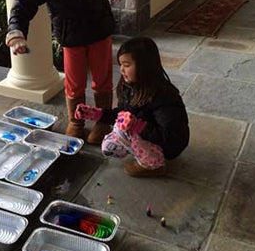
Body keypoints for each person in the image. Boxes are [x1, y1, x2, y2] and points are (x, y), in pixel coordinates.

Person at [5, 0, 125, 144]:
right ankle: (76, 121)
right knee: (74, 82)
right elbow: (23, 4)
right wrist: (16, 31)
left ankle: (102, 121)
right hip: (70, 36)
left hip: (99, 29)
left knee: (102, 80)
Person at [74, 37, 190, 177]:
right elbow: (121, 114)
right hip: (145, 133)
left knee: (126, 131)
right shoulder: (129, 87)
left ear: (144, 66)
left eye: (127, 65)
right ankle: (140, 149)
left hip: (168, 145)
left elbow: (172, 136)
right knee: (110, 144)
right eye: (120, 64)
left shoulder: (164, 95)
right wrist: (95, 114)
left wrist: (137, 127)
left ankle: (153, 165)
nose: (122, 70)